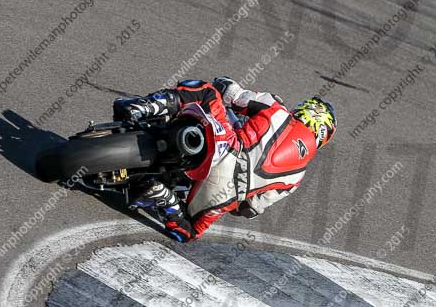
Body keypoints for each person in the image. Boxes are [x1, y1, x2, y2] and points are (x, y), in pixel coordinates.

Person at [112, 78, 336, 242]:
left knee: (205, 91)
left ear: (304, 110)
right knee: (188, 230)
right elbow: (250, 209)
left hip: (226, 147)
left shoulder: (277, 108)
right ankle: (163, 198)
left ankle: (143, 106)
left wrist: (223, 84)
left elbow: (233, 96)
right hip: (225, 194)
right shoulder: (296, 179)